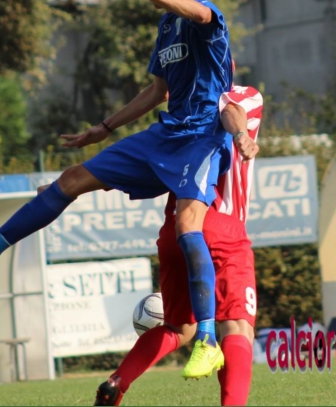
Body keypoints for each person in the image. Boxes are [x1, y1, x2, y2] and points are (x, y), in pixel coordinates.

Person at [0, 0, 235, 379]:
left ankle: (207, 340)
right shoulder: (167, 26)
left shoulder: (202, 12)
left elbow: (202, 15)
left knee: (187, 225)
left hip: (203, 136)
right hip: (166, 134)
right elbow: (158, 91)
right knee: (72, 179)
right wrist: (105, 127)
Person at [94, 85, 262, 407]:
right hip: (220, 226)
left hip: (175, 229)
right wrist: (241, 134)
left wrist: (78, 185)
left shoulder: (183, 108)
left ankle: (117, 381)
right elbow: (229, 108)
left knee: (179, 327)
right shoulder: (246, 95)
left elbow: (137, 162)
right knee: (237, 325)